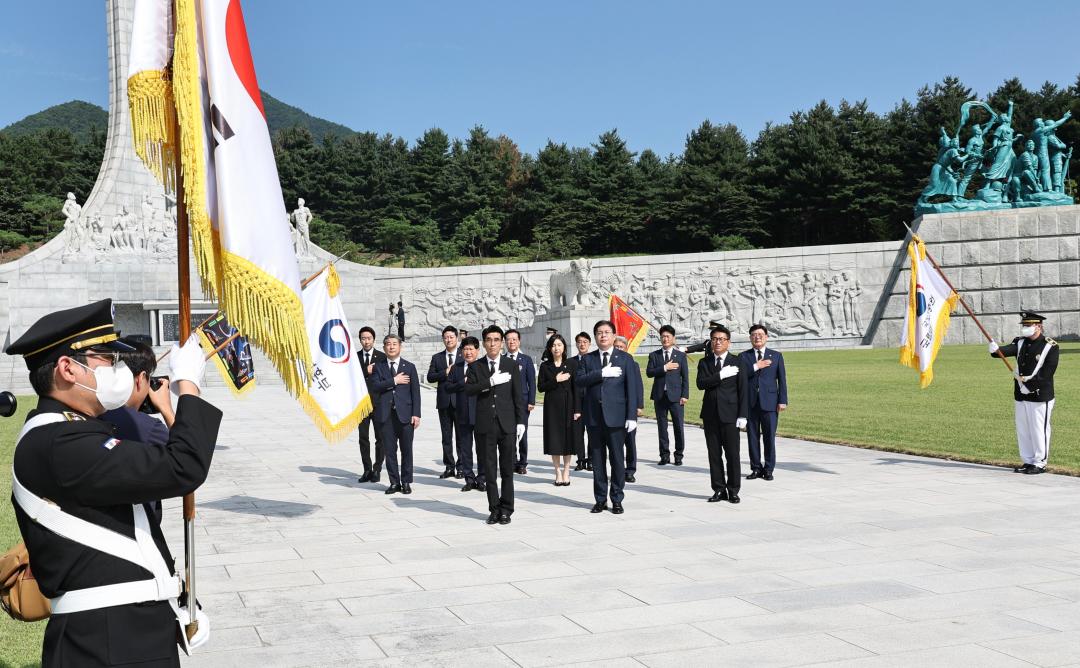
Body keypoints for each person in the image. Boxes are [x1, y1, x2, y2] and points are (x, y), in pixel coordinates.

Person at [5, 299, 218, 666]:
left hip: (124, 633)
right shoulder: (60, 443)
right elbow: (182, 467)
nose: (117, 369)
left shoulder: (73, 433)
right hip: (107, 642)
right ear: (68, 369)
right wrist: (189, 386)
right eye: (105, 357)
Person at [465, 325, 526, 525]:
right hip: (485, 425)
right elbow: (469, 390)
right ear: (483, 343)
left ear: (501, 342)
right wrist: (490, 381)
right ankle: (494, 508)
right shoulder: (476, 366)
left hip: (507, 424)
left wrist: (521, 422)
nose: (492, 343)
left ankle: (507, 508)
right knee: (489, 470)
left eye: (496, 340)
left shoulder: (510, 364)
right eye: (489, 340)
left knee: (507, 469)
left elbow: (518, 395)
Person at [576, 320, 638, 515]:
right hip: (594, 417)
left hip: (617, 418)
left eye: (607, 332)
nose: (603, 335)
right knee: (597, 460)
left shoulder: (625, 358)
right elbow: (579, 381)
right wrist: (601, 373)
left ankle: (617, 498)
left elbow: (632, 389)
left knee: (617, 460)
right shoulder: (588, 359)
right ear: (595, 337)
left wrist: (631, 416)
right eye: (599, 333)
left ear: (613, 336)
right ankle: (600, 499)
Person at [988, 311, 1060, 474]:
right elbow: (1004, 352)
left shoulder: (1050, 346)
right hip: (1020, 394)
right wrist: (994, 349)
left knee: (1038, 429)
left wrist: (1028, 385)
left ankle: (1040, 463)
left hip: (1039, 395)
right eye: (1024, 325)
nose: (1025, 328)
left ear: (1038, 326)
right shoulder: (1020, 342)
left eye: (1028, 326)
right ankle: (1028, 461)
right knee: (1024, 429)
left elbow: (1047, 373)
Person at [697, 325, 748, 504]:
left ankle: (733, 490)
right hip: (710, 414)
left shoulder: (738, 362)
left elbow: (744, 390)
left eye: (721, 339)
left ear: (728, 342)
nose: (718, 342)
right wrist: (720, 375)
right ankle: (718, 489)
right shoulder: (705, 362)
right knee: (714, 454)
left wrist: (743, 415)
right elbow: (701, 383)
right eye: (715, 339)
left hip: (731, 414)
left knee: (733, 454)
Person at [370, 334, 420, 494]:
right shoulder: (378, 366)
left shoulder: (409, 367)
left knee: (407, 450)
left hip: (405, 416)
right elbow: (375, 387)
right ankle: (394, 482)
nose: (391, 347)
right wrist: (394, 381)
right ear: (384, 347)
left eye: (394, 344)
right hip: (385, 416)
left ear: (400, 347)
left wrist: (416, 414)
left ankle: (406, 482)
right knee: (389, 451)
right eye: (388, 344)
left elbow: (415, 393)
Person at [739, 324, 788, 481]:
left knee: (769, 437)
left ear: (766, 337)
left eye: (760, 334)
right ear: (750, 338)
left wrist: (783, 400)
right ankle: (755, 468)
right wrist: (756, 366)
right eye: (754, 334)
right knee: (752, 437)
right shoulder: (743, 357)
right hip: (750, 403)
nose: (757, 337)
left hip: (770, 403)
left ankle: (768, 469)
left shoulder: (776, 356)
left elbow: (782, 380)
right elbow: (739, 378)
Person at [537, 334, 581, 486]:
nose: (557, 348)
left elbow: (576, 388)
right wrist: (555, 380)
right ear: (550, 348)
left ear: (564, 347)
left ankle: (566, 471)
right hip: (552, 407)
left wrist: (577, 409)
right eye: (554, 345)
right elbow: (541, 387)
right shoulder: (545, 366)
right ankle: (557, 472)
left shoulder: (572, 364)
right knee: (554, 440)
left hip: (568, 406)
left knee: (567, 440)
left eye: (559, 345)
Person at [444, 336, 484, 492]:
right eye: (465, 349)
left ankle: (482, 479)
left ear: (477, 350)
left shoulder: (483, 366)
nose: (468, 352)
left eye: (471, 349)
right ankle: (469, 478)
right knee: (465, 448)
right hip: (463, 413)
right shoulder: (456, 368)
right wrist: (463, 382)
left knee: (482, 449)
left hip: (481, 413)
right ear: (461, 352)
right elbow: (448, 387)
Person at [646, 324, 690, 466]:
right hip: (660, 396)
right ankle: (664, 455)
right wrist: (664, 368)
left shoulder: (681, 356)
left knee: (678, 426)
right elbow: (649, 372)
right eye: (663, 337)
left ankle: (678, 455)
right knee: (662, 427)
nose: (665, 339)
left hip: (676, 397)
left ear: (673, 338)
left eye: (668, 336)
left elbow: (685, 377)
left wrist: (685, 395)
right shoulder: (654, 355)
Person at [427, 325, 462, 479]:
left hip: (461, 402)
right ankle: (449, 466)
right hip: (444, 403)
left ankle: (462, 467)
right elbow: (430, 377)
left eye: (451, 337)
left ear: (457, 338)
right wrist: (444, 372)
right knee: (446, 437)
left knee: (462, 437)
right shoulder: (437, 358)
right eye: (446, 337)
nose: (448, 340)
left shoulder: (464, 355)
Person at [356, 326, 386, 483]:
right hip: (361, 405)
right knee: (363, 437)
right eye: (363, 338)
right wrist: (365, 371)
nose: (366, 341)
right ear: (360, 340)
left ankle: (377, 469)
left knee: (380, 437)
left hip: (379, 403)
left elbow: (386, 378)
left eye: (368, 338)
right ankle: (366, 469)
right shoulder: (355, 358)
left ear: (373, 340)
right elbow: (351, 378)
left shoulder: (381, 357)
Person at [504, 329, 536, 474]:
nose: (511, 342)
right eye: (509, 339)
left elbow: (532, 382)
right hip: (506, 403)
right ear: (505, 342)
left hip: (523, 403)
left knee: (522, 433)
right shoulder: (502, 359)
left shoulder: (526, 359)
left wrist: (531, 401)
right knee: (509, 433)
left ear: (519, 341)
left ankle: (522, 462)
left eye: (514, 339)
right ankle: (512, 461)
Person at [613, 335, 644, 483]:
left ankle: (630, 470)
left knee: (630, 441)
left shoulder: (632, 363)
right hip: (613, 409)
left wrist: (639, 406)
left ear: (626, 349)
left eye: (621, 347)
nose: (619, 349)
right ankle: (618, 470)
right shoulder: (608, 363)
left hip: (629, 408)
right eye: (616, 347)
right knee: (616, 442)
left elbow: (638, 386)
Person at [572, 332, 593, 471]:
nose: (582, 344)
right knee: (578, 434)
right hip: (576, 402)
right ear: (576, 344)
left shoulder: (594, 359)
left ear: (589, 343)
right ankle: (580, 460)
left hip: (591, 402)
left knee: (592, 433)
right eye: (579, 341)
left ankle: (591, 460)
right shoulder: (571, 362)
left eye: (585, 341)